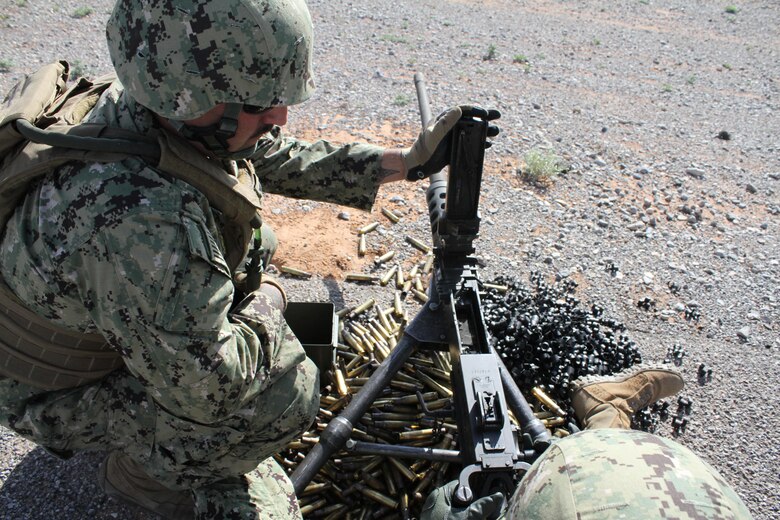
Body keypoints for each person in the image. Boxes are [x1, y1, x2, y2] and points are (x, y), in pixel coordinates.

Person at [0, 0, 496, 518]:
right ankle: (144, 476)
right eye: (258, 104)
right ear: (189, 97)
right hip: (53, 394)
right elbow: (210, 390)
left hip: (106, 323)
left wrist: (406, 162)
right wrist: (263, 320)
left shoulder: (155, 105)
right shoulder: (140, 224)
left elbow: (266, 154)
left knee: (256, 269)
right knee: (288, 390)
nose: (278, 117)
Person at [422, 365, 755, 519]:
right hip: (673, 489)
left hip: (571, 493)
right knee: (617, 463)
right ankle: (605, 408)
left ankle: (605, 416)